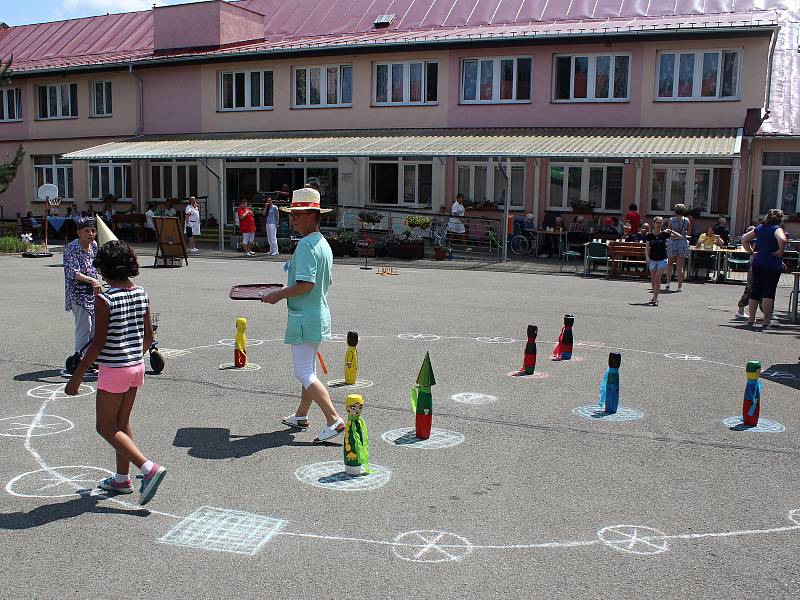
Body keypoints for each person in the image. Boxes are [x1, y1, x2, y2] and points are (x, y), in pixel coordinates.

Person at [65, 240, 167, 505]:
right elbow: (148, 336)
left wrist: (77, 375)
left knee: (105, 426)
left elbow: (97, 343)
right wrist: (135, 356)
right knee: (122, 424)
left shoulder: (105, 298)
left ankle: (148, 468)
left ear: (104, 269)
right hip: (136, 367)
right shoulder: (141, 292)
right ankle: (122, 479)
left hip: (114, 369)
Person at [261, 188, 345, 443]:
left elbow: (306, 284)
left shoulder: (307, 245)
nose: (292, 220)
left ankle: (334, 419)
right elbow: (324, 282)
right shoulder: (322, 243)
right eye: (291, 215)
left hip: (305, 317)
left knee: (303, 373)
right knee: (307, 369)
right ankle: (301, 415)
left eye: (296, 215)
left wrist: (279, 294)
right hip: (316, 313)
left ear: (311, 216)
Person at [63, 217, 102, 372]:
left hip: (93, 292)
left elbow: (97, 266)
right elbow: (74, 272)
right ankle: (78, 360)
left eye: (93, 230)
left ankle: (91, 358)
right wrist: (92, 280)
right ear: (79, 232)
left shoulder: (94, 246)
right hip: (77, 294)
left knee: (95, 328)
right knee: (84, 328)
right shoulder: (72, 248)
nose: (91, 233)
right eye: (87, 231)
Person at [741, 209, 787, 329]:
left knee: (756, 289)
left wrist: (751, 252)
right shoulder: (777, 229)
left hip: (758, 262)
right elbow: (782, 240)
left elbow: (744, 239)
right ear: (780, 219)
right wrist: (780, 252)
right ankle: (766, 320)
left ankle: (751, 319)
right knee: (769, 291)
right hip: (772, 263)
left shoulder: (760, 228)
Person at [645, 217, 672, 306]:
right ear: (654, 223)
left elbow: (679, 237)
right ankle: (654, 296)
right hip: (653, 259)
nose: (659, 224)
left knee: (657, 278)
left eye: (660, 223)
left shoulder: (664, 234)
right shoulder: (650, 235)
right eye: (657, 222)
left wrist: (671, 231)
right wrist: (647, 257)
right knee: (653, 279)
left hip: (662, 259)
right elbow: (647, 247)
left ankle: (655, 299)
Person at [666, 204, 691, 292]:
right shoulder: (687, 220)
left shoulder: (672, 220)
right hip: (682, 243)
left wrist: (674, 235)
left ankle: (668, 283)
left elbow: (669, 231)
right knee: (680, 266)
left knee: (670, 264)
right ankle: (679, 286)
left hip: (672, 242)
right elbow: (689, 232)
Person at [735, 226, 756, 319]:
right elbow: (744, 239)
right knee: (750, 288)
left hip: (755, 263)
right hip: (754, 264)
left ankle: (768, 313)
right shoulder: (753, 240)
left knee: (754, 288)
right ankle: (741, 309)